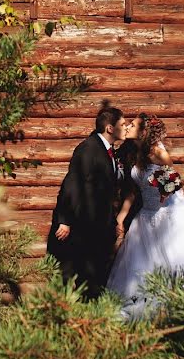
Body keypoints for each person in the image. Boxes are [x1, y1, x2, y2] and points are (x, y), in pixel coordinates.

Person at [107, 113, 184, 319]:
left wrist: (160, 196)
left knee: (176, 259)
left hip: (171, 215)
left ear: (144, 131)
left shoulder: (158, 153)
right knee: (144, 264)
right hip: (146, 218)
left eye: (133, 125)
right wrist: (121, 218)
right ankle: (150, 308)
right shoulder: (135, 153)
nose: (129, 126)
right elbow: (133, 192)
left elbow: (174, 180)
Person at [46, 106, 126, 299]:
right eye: (122, 124)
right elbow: (72, 183)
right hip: (79, 227)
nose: (125, 128)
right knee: (68, 276)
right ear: (109, 128)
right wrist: (64, 220)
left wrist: (112, 222)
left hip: (97, 227)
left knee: (92, 279)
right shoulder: (89, 148)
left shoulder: (109, 151)